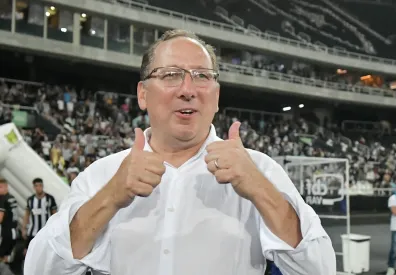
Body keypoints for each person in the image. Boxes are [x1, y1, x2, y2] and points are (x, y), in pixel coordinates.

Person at [24, 29, 336, 275]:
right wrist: (109, 198)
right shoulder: (104, 176)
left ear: (216, 96)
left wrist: (261, 191)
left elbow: (320, 269)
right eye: (171, 74)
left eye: (202, 76)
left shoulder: (258, 170)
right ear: (143, 94)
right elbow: (39, 269)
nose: (188, 89)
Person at [22, 178, 57, 255]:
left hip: (46, 232)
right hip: (33, 232)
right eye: (36, 186)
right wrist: (24, 228)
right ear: (34, 187)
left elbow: (55, 214)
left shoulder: (50, 198)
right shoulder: (30, 200)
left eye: (40, 185)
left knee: (46, 253)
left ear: (43, 186)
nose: (38, 188)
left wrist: (55, 229)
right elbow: (27, 214)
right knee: (28, 253)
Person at [0, 178, 18, 263]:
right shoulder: (12, 198)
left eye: (0, 187)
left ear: (6, 187)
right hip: (14, 231)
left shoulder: (2, 199)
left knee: (2, 255)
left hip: (7, 232)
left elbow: (0, 218)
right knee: (7, 256)